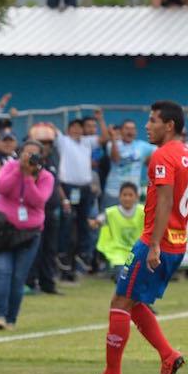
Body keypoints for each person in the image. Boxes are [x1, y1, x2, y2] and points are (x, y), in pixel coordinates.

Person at [80, 100, 188, 374]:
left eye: (152, 121)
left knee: (120, 301)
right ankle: (168, 355)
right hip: (177, 243)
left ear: (169, 125)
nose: (147, 126)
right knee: (134, 302)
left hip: (156, 242)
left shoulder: (162, 156)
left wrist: (152, 245)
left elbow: (164, 200)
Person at [0, 140, 54, 330]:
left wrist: (28, 177)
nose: (30, 158)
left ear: (41, 157)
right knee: (2, 272)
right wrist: (19, 170)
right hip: (2, 230)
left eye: (34, 154)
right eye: (27, 153)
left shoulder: (46, 177)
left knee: (18, 277)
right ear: (19, 153)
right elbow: (1, 188)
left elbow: (39, 201)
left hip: (29, 234)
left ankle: (11, 319)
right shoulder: (9, 167)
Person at [53, 111, 110, 275]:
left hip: (85, 188)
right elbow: (51, 130)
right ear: (68, 130)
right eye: (73, 128)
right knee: (68, 220)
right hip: (68, 187)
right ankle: (63, 254)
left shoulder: (87, 142)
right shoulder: (63, 141)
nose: (77, 130)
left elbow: (104, 138)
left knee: (85, 222)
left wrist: (100, 120)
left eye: (79, 128)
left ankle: (82, 254)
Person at [26, 126, 66, 294]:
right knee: (36, 248)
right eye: (42, 143)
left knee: (50, 248)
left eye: (49, 143)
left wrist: (64, 200)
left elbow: (56, 184)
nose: (46, 146)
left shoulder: (51, 161)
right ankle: (31, 282)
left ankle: (48, 283)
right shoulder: (29, 164)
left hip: (52, 211)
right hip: (35, 212)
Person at [94, 182, 145, 279]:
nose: (127, 198)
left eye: (130, 195)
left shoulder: (142, 211)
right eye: (124, 195)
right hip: (118, 252)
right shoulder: (111, 212)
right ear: (119, 196)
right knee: (122, 274)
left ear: (136, 197)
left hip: (137, 251)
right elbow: (100, 219)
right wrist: (95, 222)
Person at [103, 120, 156, 209]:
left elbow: (157, 155)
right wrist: (112, 138)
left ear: (136, 132)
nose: (130, 131)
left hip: (133, 193)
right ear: (121, 131)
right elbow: (115, 159)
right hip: (113, 192)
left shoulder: (143, 146)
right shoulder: (111, 144)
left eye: (132, 129)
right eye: (127, 128)